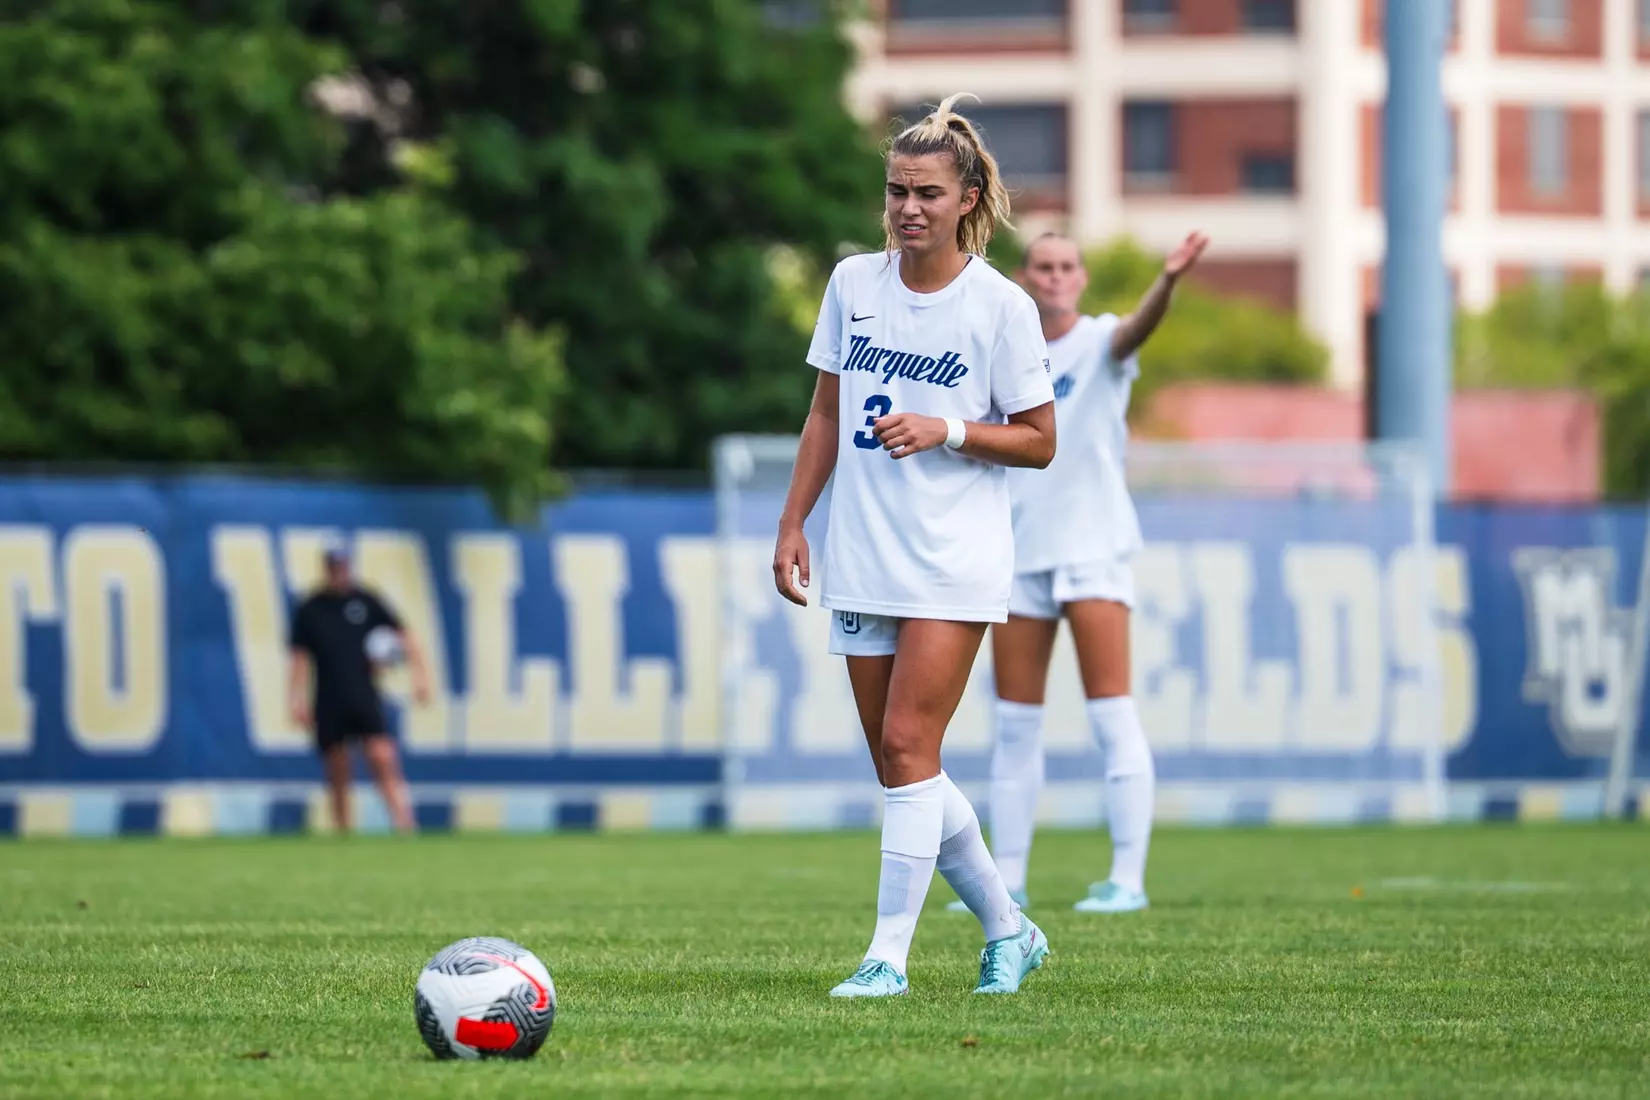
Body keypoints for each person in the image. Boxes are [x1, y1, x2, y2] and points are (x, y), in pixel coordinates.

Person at [772, 93, 1058, 998]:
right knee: (909, 767)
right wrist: (793, 524)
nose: (907, 209)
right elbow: (825, 414)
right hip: (862, 551)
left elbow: (1041, 440)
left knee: (905, 745)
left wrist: (950, 429)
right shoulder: (853, 284)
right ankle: (1010, 931)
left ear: (968, 197)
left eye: (927, 192)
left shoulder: (1002, 307)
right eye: (897, 190)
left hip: (952, 558)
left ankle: (886, 958)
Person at [949, 229, 1207, 917]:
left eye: (1067, 266)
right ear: (1027, 277)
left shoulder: (1099, 343)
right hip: (1022, 551)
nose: (1056, 276)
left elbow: (1135, 333)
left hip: (1093, 548)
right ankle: (1009, 879)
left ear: (1081, 278)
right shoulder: (1008, 349)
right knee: (1014, 724)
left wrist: (1169, 279)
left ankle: (1127, 878)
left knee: (1111, 712)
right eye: (1043, 266)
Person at [288, 538, 432, 834]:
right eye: (333, 566)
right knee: (337, 764)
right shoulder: (312, 607)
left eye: (342, 565)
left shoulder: (367, 601)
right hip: (328, 694)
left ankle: (404, 823)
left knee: (382, 755)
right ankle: (344, 829)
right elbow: (299, 658)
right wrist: (296, 699)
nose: (338, 571)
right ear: (325, 568)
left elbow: (404, 636)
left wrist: (420, 676)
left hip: (364, 692)